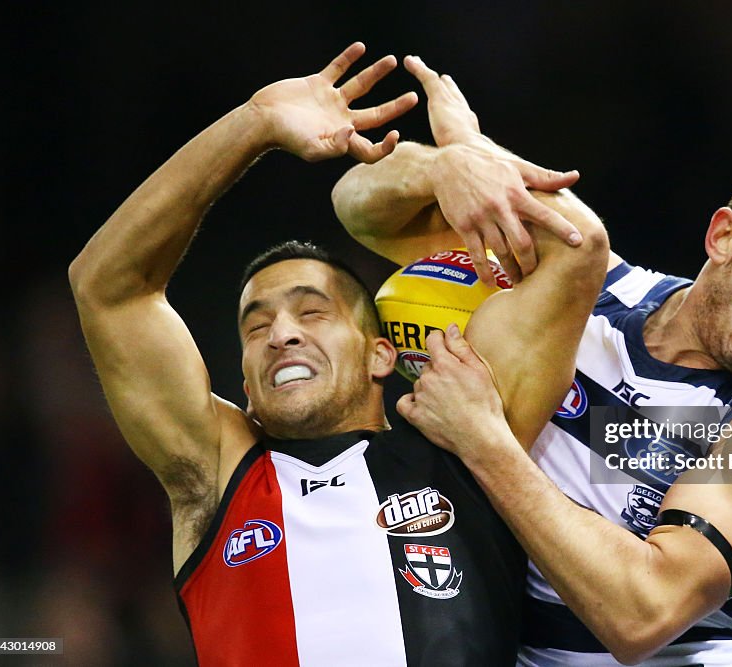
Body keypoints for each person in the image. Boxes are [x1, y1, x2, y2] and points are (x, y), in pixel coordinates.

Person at [334, 56, 732, 666]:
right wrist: (453, 164)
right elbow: (359, 205)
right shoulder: (589, 290)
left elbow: (641, 614)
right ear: (725, 236)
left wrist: (485, 440)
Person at [68, 42, 609, 666]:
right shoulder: (217, 472)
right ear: (244, 383)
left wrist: (454, 162)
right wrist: (255, 122)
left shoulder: (471, 442)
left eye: (312, 311)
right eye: (255, 327)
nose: (281, 334)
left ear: (381, 354)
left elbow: (576, 249)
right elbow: (106, 287)